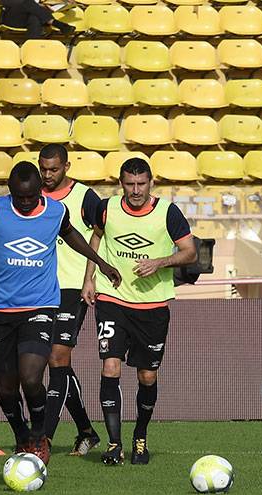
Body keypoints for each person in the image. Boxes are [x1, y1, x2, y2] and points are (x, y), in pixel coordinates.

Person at [0, 162, 120, 465]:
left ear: (39, 190)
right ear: (11, 191)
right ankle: (21, 436)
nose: (26, 202)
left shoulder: (55, 211)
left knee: (31, 378)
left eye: (30, 196)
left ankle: (40, 435)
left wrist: (101, 263)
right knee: (5, 388)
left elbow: (72, 235)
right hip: (0, 310)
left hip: (41, 307)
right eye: (19, 197)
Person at [82, 158, 197, 466]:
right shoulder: (107, 208)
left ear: (151, 183)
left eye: (141, 184)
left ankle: (140, 435)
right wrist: (89, 278)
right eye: (129, 184)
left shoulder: (167, 212)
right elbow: (96, 237)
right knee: (111, 367)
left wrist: (159, 262)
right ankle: (114, 443)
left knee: (147, 375)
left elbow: (190, 252)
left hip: (153, 305)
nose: (135, 190)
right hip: (113, 298)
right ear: (121, 183)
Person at [38, 144, 102, 456]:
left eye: (54, 169)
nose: (47, 175)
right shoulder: (31, 196)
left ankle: (43, 440)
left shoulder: (84, 197)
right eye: (43, 169)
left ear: (67, 166)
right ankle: (87, 431)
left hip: (72, 288)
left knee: (57, 357)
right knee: (52, 362)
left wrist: (90, 277)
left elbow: (100, 234)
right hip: (37, 289)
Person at [0, 0, 75, 39]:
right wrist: (38, 6)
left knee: (35, 17)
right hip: (12, 18)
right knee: (28, 3)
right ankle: (56, 23)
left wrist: (65, 1)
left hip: (32, 17)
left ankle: (32, 49)